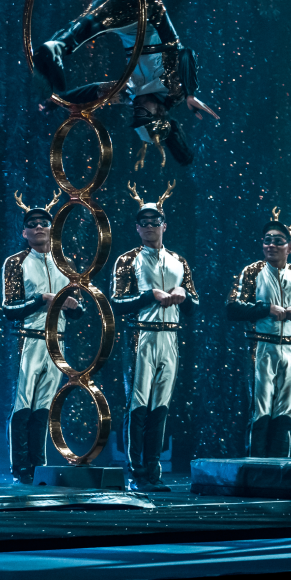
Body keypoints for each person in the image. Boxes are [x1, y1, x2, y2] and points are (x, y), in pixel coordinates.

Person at [32, 0, 218, 168]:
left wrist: (58, 101)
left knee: (86, 23)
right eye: (145, 115)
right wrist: (190, 94)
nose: (137, 112)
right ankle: (56, 48)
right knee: (95, 23)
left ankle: (54, 49)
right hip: (144, 1)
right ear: (161, 111)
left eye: (136, 118)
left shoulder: (131, 95)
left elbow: (95, 91)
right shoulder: (173, 90)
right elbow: (186, 55)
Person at [110, 181, 198, 492]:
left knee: (161, 406)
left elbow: (195, 305)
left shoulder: (179, 261)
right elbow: (116, 303)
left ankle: (153, 470)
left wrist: (184, 295)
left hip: (170, 338)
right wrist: (150, 296)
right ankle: (136, 473)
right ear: (137, 228)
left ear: (164, 225)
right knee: (138, 405)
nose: (149, 226)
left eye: (154, 221)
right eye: (143, 222)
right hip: (141, 337)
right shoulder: (127, 260)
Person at [2, 190, 84, 483]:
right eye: (33, 223)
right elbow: (9, 308)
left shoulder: (66, 263)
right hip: (27, 338)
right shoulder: (15, 262)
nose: (39, 226)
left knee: (44, 407)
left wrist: (73, 306)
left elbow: (77, 308)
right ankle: (20, 468)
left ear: (53, 228)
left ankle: (38, 465)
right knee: (23, 403)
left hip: (57, 341)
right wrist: (41, 298)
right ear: (24, 232)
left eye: (44, 223)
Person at [227, 207, 291, 458]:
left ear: (290, 246)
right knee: (260, 412)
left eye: (277, 241)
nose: (271, 245)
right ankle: (255, 472)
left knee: (286, 414)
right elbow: (232, 308)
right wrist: (265, 309)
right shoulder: (252, 272)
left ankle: (280, 471)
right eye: (267, 240)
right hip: (261, 347)